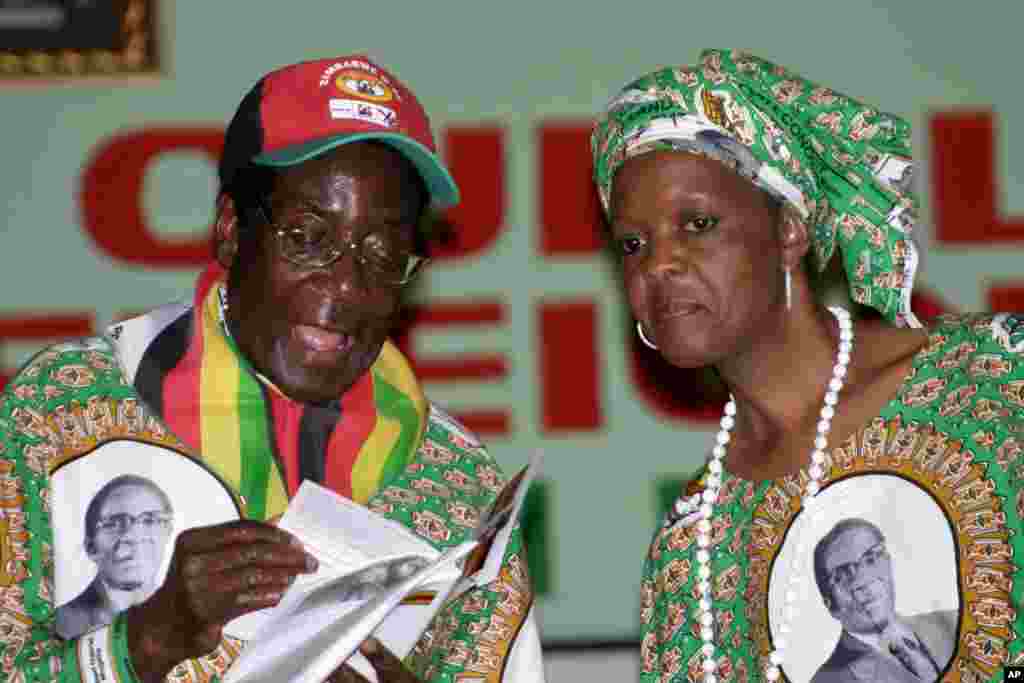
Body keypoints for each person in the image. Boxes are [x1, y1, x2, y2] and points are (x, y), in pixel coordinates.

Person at [0, 55, 543, 683]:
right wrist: (145, 642)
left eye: (383, 253)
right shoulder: (65, 415)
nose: (346, 285)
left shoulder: (457, 484)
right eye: (308, 237)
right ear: (231, 231)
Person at [590, 49, 1024, 682]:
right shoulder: (696, 548)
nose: (658, 265)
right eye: (634, 244)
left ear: (789, 231)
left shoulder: (992, 376)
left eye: (698, 223)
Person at [811, 519, 956, 682]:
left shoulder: (955, 623)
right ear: (830, 605)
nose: (862, 580)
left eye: (870, 559)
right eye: (842, 575)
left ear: (888, 562)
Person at [56, 475, 175, 639]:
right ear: (91, 547)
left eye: (149, 520)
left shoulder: (189, 619)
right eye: (114, 523)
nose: (133, 535)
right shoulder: (61, 628)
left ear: (168, 532)